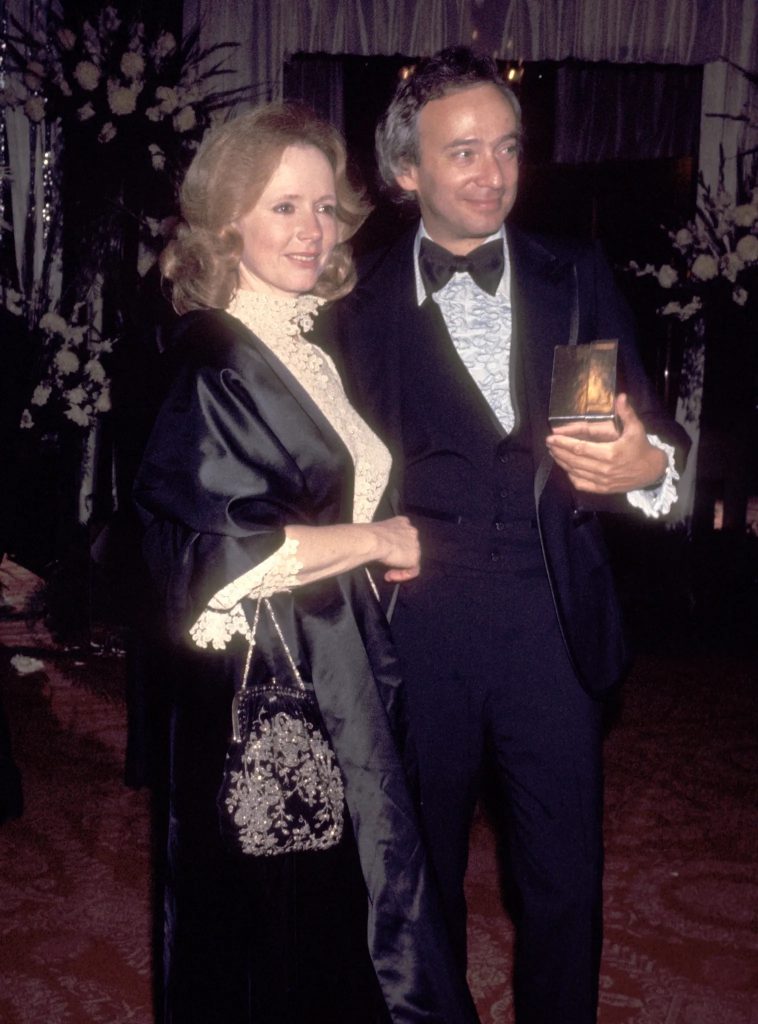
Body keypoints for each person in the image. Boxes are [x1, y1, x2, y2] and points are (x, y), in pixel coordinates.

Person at [324, 48, 691, 1024]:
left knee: (564, 882)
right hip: (416, 627)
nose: (493, 174)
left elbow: (641, 433)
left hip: (550, 621)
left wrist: (646, 468)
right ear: (406, 170)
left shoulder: (573, 274)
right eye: (463, 152)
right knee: (419, 879)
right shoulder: (351, 305)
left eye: (508, 147)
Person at [132, 103, 478, 1024]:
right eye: (283, 207)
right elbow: (221, 555)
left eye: (324, 208)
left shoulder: (299, 342)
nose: (311, 230)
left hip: (339, 664)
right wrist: (378, 540)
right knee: (278, 923)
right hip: (264, 687)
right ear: (227, 222)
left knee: (346, 905)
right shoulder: (217, 356)